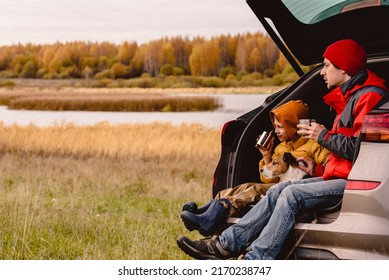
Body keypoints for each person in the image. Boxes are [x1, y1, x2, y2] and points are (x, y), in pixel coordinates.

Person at [177, 39, 389, 260]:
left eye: (326, 65)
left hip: (355, 183)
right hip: (340, 176)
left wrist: (322, 136)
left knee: (291, 193)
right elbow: (345, 157)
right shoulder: (349, 98)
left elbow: (363, 151)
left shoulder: (370, 97)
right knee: (277, 189)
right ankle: (224, 245)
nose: (321, 72)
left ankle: (257, 260)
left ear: (344, 67)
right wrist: (316, 169)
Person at [180, 100, 330, 237]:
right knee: (244, 187)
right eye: (275, 127)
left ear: (292, 125)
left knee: (255, 190)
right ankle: (203, 212)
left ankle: (209, 219)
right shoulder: (281, 147)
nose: (276, 131)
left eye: (280, 127)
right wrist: (266, 156)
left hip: (297, 188)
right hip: (279, 186)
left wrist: (314, 169)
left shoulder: (314, 144)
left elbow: (329, 167)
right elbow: (267, 178)